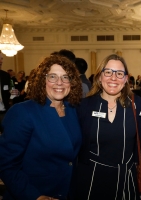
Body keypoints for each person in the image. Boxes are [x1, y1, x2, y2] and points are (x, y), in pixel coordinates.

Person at [0, 55, 83, 199]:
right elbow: (6, 164)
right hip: (33, 192)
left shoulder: (73, 110)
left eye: (65, 77)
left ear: (71, 82)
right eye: (52, 77)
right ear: (42, 80)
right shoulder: (23, 112)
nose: (59, 83)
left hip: (68, 192)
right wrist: (35, 196)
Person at [70, 54, 141, 200]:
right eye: (108, 72)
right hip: (92, 178)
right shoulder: (84, 106)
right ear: (99, 77)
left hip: (126, 179)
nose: (113, 78)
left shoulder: (137, 104)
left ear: (125, 79)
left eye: (119, 73)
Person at [0, 52, 12, 129]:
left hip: (3, 111)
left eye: (1, 59)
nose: (1, 61)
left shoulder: (5, 75)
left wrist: (13, 94)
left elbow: (9, 91)